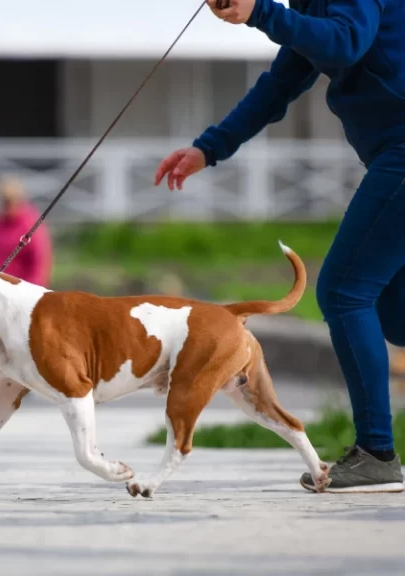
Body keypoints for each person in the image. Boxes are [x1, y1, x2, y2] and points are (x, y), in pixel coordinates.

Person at [155, 0, 405, 493]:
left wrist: (260, 14)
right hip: (390, 154)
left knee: (344, 291)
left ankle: (378, 453)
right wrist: (210, 147)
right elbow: (282, 82)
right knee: (394, 310)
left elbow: (346, 40)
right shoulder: (310, 6)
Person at [0, 176, 53, 398]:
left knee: (20, 344)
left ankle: (27, 388)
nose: (6, 205)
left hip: (18, 296)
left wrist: (31, 295)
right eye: (2, 200)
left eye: (10, 200)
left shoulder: (31, 223)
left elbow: (40, 262)